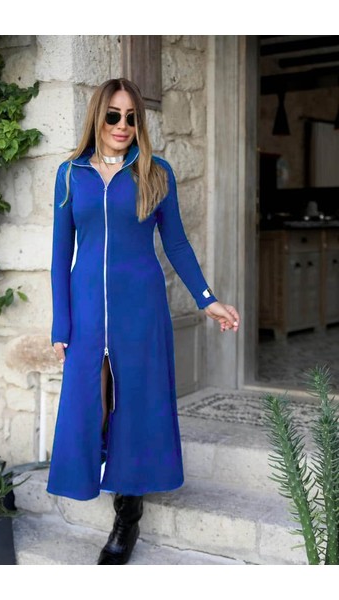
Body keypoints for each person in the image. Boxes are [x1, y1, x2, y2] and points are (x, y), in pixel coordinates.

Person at [47, 78, 240, 565]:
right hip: (87, 308)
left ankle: (126, 514)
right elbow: (59, 255)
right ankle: (103, 474)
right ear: (98, 116)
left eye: (132, 118)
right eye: (114, 115)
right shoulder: (70, 174)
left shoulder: (156, 171)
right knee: (93, 399)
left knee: (132, 400)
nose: (123, 126)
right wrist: (61, 325)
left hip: (140, 307)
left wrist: (208, 299)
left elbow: (176, 243)